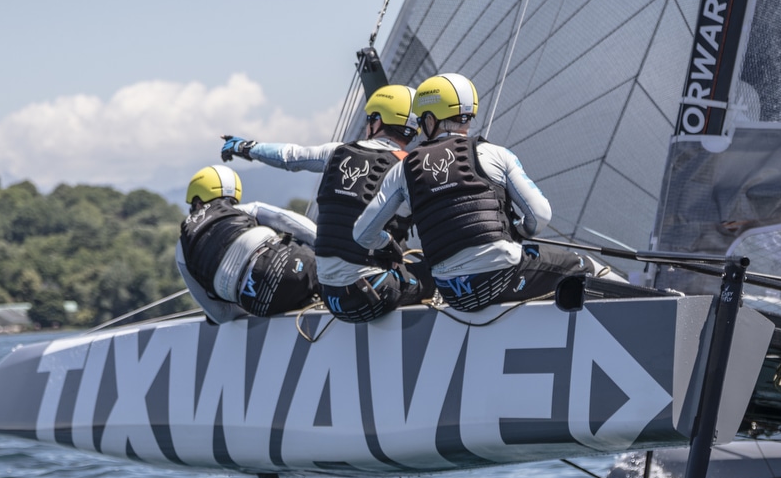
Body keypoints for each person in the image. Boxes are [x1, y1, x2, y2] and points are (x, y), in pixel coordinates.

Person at [352, 72, 619, 313]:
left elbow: (363, 234)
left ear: (431, 119)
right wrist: (520, 231)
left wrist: (388, 244)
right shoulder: (495, 154)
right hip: (502, 278)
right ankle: (657, 301)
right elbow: (540, 216)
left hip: (452, 293)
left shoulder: (404, 169)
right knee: (587, 266)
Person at [219, 85, 433, 323]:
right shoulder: (411, 167)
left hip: (330, 296)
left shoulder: (336, 152)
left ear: (377, 120)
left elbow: (290, 156)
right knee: (433, 273)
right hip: (371, 296)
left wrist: (245, 147)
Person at [176, 164, 319, 323]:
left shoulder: (182, 249)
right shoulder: (243, 209)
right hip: (284, 264)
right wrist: (330, 247)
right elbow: (289, 221)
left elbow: (220, 315)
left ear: (196, 203)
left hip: (257, 303)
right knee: (333, 270)